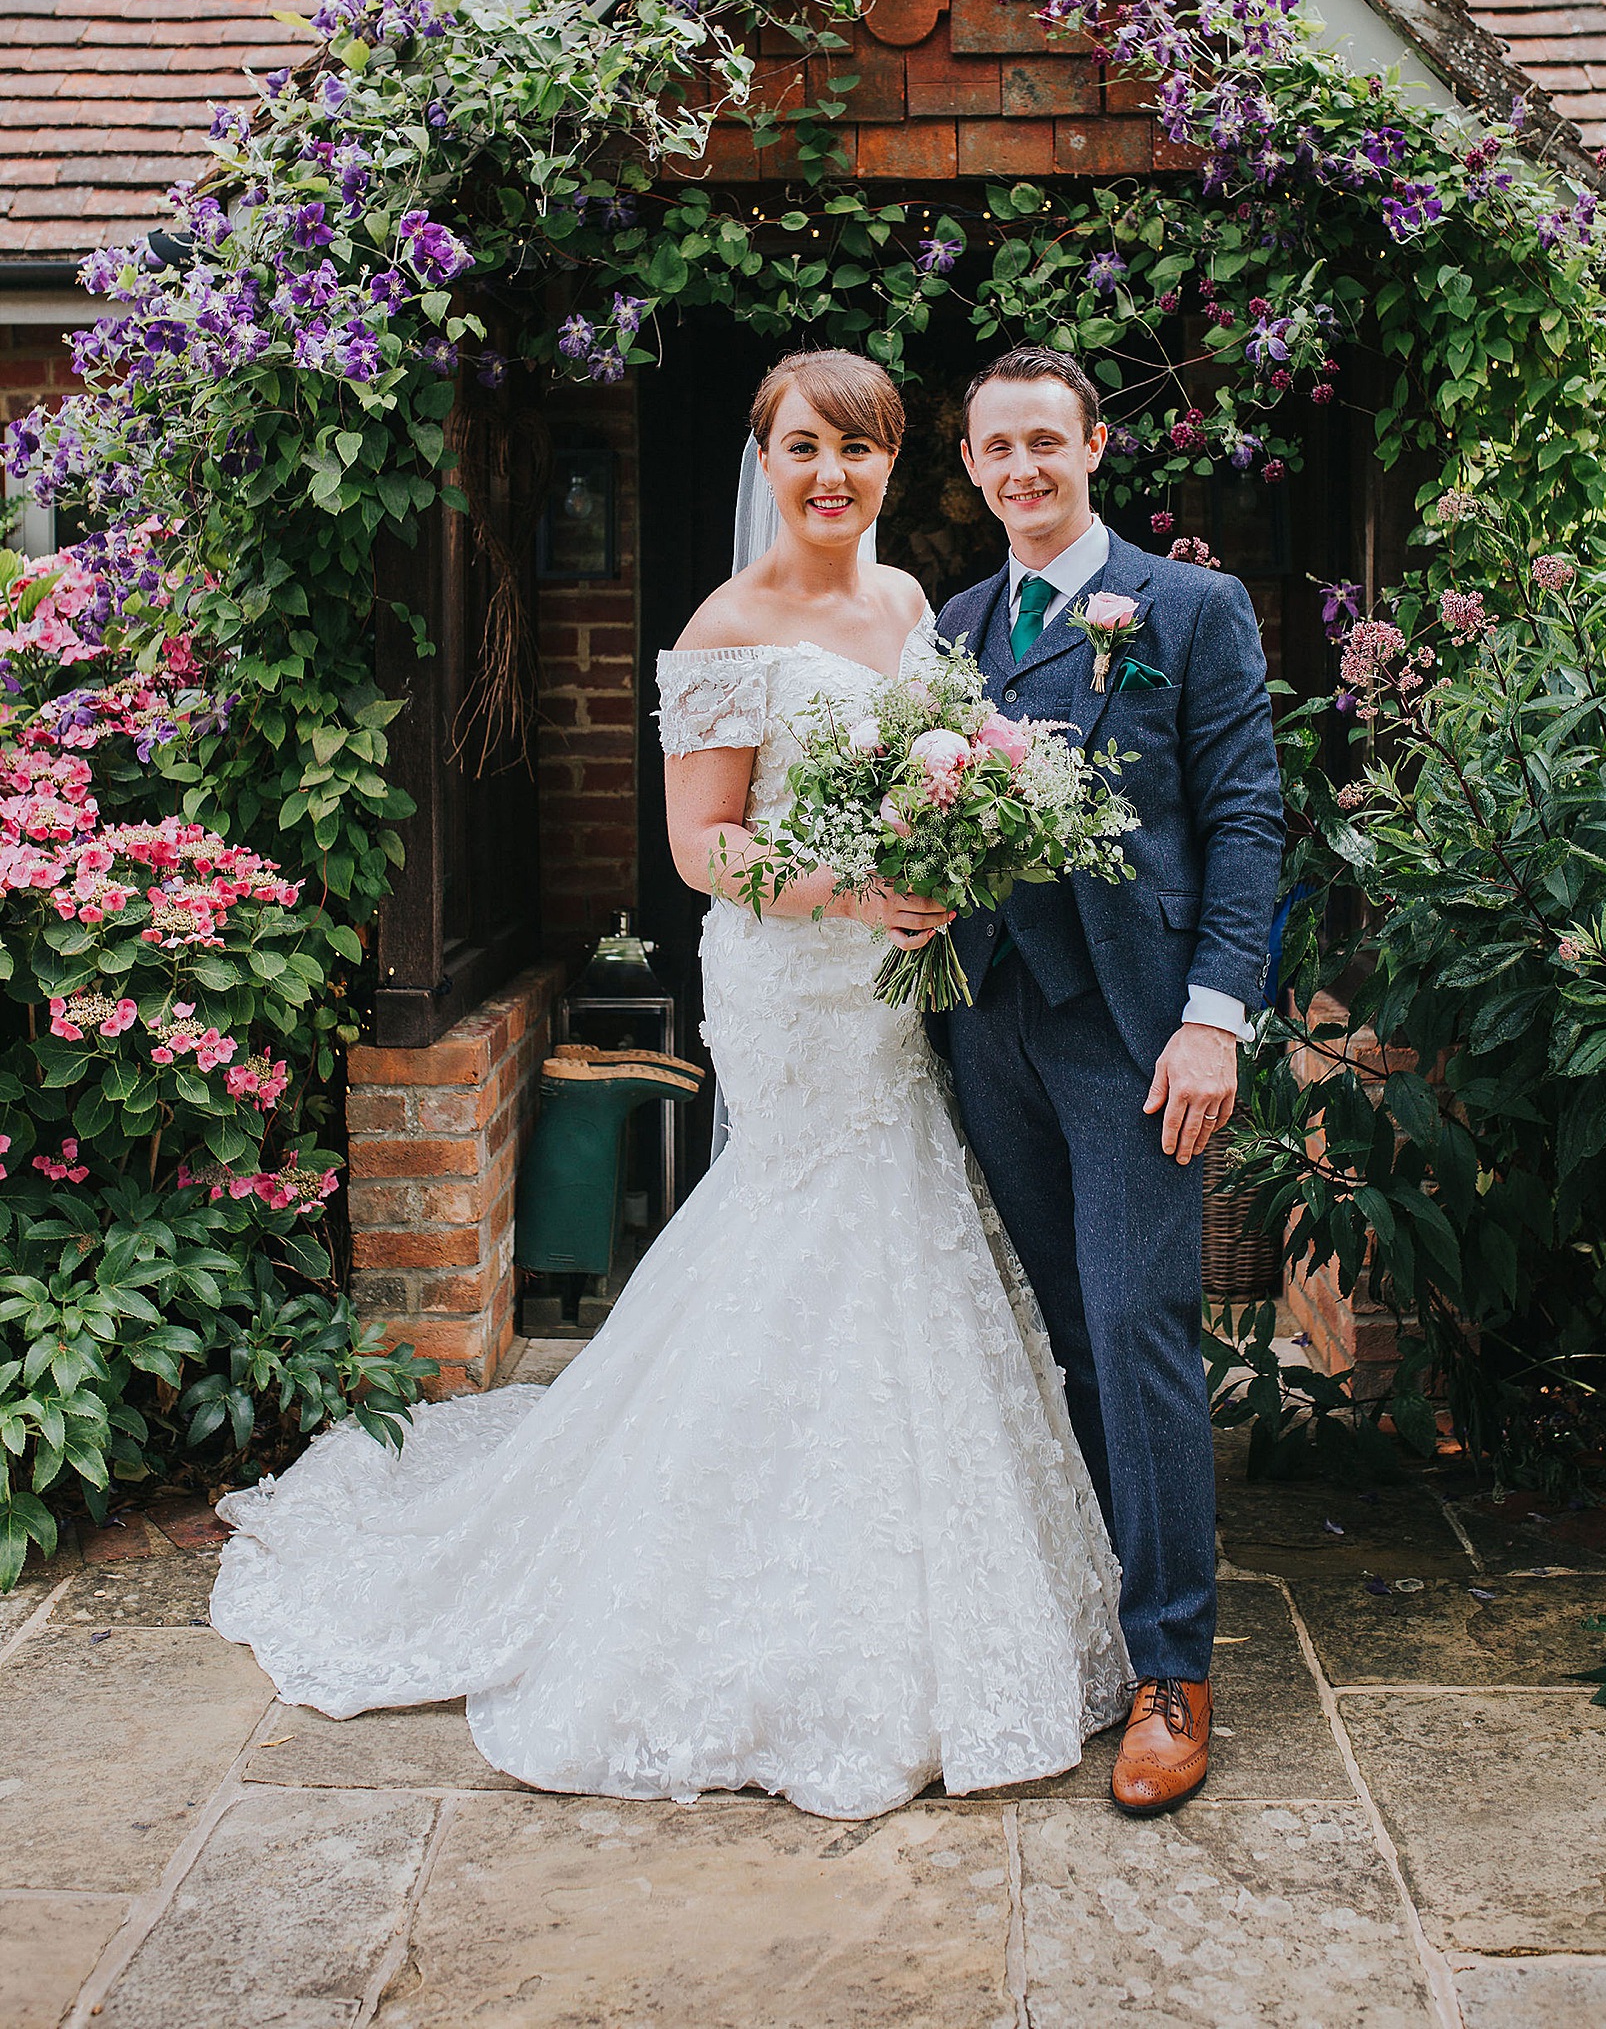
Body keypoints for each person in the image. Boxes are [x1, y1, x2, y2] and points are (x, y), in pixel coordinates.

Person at [209, 347, 1130, 1821]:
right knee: (798, 1225)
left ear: (897, 467)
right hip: (794, 975)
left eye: (863, 448)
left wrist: (948, 869)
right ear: (765, 461)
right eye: (805, 446)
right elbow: (704, 848)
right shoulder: (725, 625)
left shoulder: (910, 608)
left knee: (902, 1219)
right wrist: (856, 890)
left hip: (893, 985)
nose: (834, 474)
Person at [937, 344, 1284, 1816]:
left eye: (1046, 443)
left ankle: (1174, 1670)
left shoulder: (1189, 609)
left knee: (1141, 1326)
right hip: (990, 1022)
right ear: (968, 466)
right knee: (1069, 1328)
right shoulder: (953, 627)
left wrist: (1216, 1017)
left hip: (1139, 1033)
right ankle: (1101, 1611)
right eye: (996, 447)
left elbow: (1249, 822)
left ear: (1093, 450)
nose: (1023, 468)